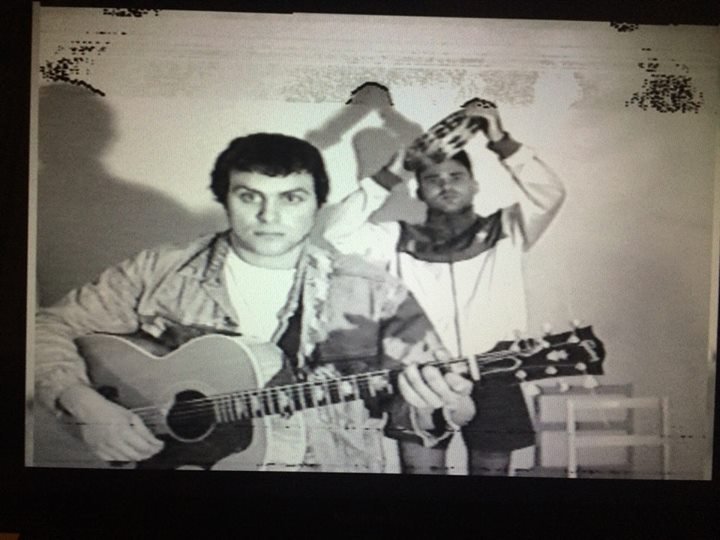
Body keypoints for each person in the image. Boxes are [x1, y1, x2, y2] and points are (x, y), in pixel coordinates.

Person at [33, 133, 475, 473]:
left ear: (318, 204)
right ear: (224, 199)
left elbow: (427, 409)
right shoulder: (160, 270)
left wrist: (446, 403)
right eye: (249, 196)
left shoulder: (373, 288)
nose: (269, 216)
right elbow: (41, 329)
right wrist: (83, 403)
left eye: (291, 198)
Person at [324, 102, 566, 475]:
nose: (446, 184)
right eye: (433, 178)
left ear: (474, 185)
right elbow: (336, 233)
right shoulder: (396, 238)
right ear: (419, 189)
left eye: (456, 176)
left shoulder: (507, 229)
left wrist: (501, 141)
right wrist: (392, 172)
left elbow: (550, 194)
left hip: (497, 369)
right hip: (420, 375)